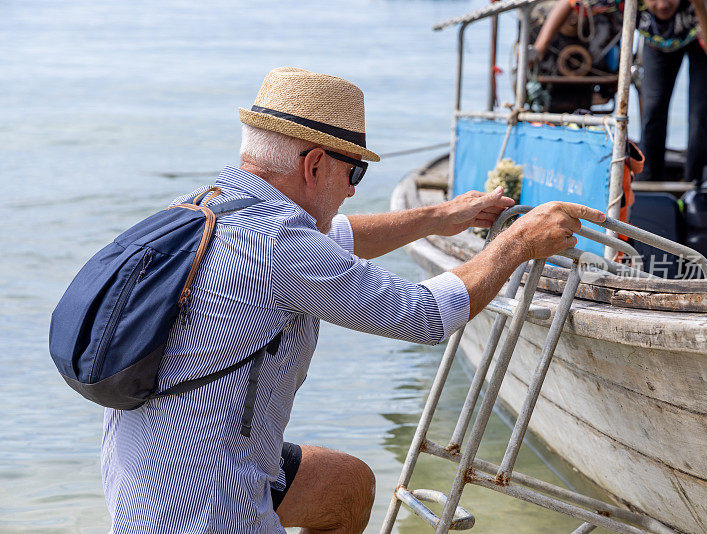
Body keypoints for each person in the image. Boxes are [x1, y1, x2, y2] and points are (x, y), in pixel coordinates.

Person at [100, 66, 605, 534]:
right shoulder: (280, 246)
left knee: (346, 486)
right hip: (204, 507)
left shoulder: (204, 208)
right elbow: (423, 315)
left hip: (141, 473)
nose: (351, 192)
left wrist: (441, 215)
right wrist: (516, 244)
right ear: (315, 164)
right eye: (354, 174)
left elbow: (335, 238)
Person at [533, 0, 707, 181]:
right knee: (653, 111)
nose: (662, 5)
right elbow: (570, 3)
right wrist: (538, 50)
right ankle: (650, 181)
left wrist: (701, 9)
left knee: (700, 115)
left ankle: (697, 183)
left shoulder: (704, 5)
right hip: (658, 40)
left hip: (705, 33)